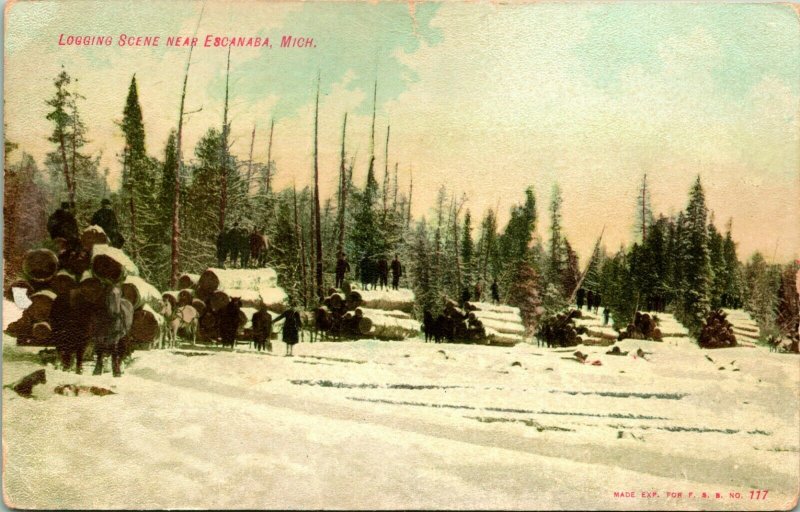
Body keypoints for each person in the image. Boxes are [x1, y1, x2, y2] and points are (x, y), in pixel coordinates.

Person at [92, 283, 132, 377]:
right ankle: (99, 364)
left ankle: (116, 366)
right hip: (104, 292)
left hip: (114, 289)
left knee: (115, 343)